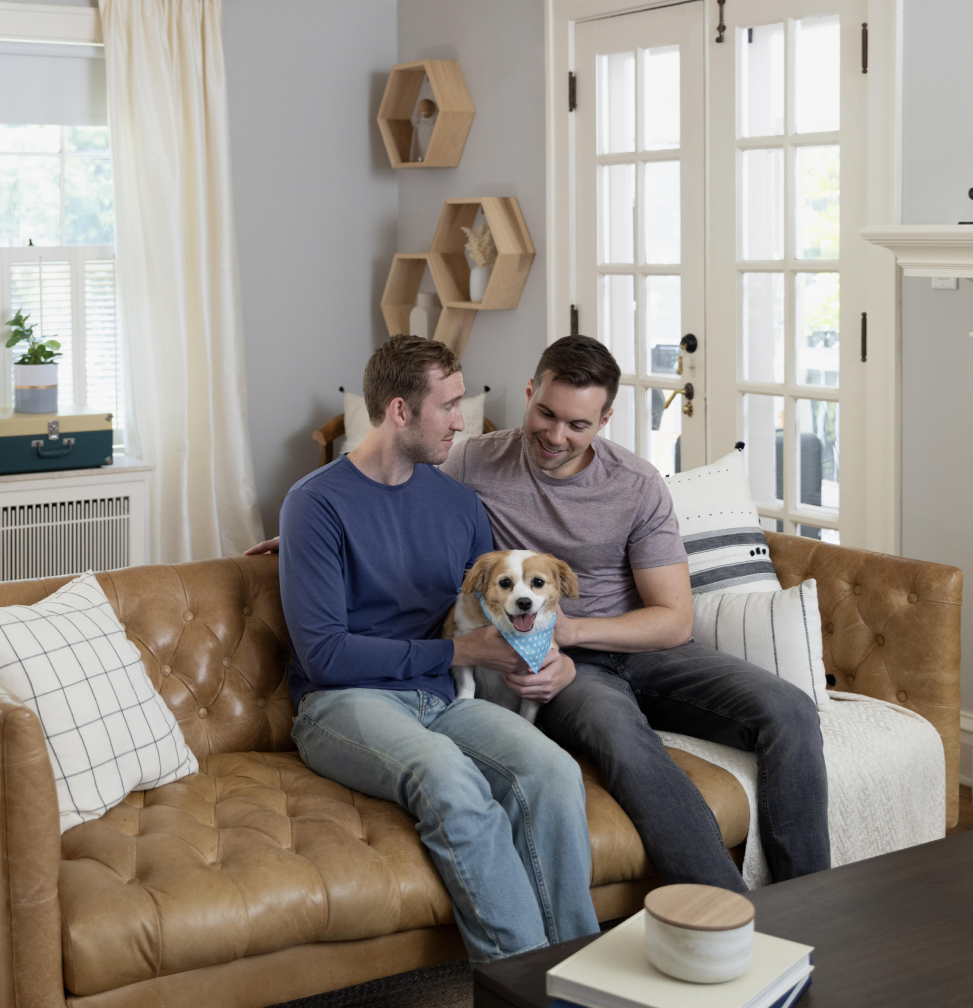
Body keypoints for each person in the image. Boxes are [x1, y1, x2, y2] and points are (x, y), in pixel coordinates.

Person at [439, 335, 830, 890]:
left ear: (605, 419)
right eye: (545, 414)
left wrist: (570, 628)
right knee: (622, 735)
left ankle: (812, 906)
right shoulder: (472, 461)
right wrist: (311, 533)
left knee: (789, 711)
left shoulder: (636, 483)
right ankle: (729, 918)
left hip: (645, 650)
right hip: (564, 670)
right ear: (529, 393)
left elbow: (673, 618)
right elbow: (392, 502)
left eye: (578, 425)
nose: (556, 436)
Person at [274, 334, 599, 964]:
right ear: (400, 412)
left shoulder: (459, 504)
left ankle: (584, 979)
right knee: (448, 777)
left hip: (445, 698)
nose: (462, 421)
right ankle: (527, 996)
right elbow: (326, 657)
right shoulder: (313, 505)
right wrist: (455, 656)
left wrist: (548, 658)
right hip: (344, 704)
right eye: (449, 406)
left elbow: (498, 607)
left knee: (553, 771)